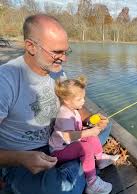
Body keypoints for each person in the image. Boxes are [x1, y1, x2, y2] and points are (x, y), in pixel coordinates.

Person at [0, 14, 112, 194]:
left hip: (58, 143)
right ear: (31, 46)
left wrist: (92, 118)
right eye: (57, 52)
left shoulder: (57, 73)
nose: (64, 58)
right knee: (61, 190)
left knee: (106, 126)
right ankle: (88, 162)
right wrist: (20, 158)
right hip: (21, 158)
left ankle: (84, 161)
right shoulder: (6, 80)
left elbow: (72, 106)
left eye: (66, 51)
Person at [49, 76, 119, 194]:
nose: (83, 101)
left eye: (84, 98)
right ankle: (92, 183)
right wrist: (90, 131)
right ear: (66, 100)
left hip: (69, 144)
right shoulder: (64, 114)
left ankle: (99, 159)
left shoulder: (74, 110)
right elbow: (67, 136)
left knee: (92, 136)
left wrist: (92, 123)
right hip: (59, 150)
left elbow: (79, 128)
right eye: (79, 99)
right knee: (85, 148)